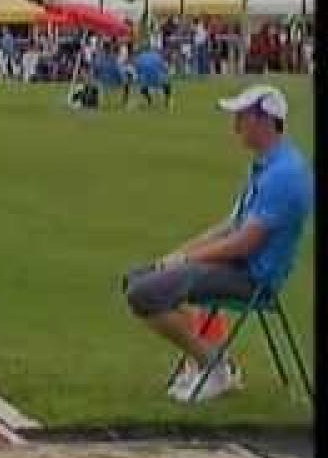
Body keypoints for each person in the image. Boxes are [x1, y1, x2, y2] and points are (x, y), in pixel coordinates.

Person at [121, 85, 312, 403]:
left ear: (265, 121)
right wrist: (179, 254)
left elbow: (244, 244)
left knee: (144, 293)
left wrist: (186, 261)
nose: (235, 125)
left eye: (242, 117)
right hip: (236, 265)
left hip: (253, 276)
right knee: (138, 278)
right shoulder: (267, 166)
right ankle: (203, 361)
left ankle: (213, 365)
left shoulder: (285, 175)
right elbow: (229, 225)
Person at [131, 44, 172, 109]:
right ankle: (167, 100)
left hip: (146, 79)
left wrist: (138, 76)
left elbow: (137, 68)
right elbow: (163, 67)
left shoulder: (140, 57)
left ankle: (149, 100)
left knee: (143, 89)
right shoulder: (157, 56)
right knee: (167, 85)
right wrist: (166, 73)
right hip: (157, 78)